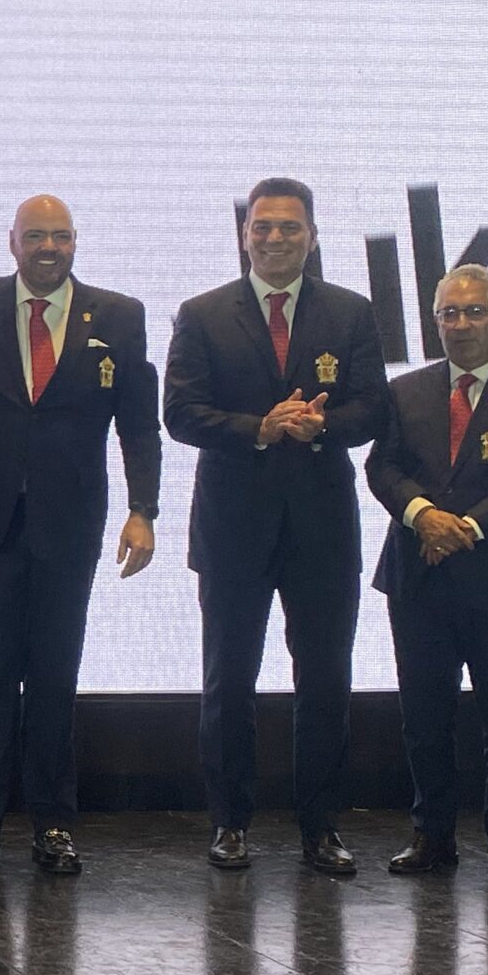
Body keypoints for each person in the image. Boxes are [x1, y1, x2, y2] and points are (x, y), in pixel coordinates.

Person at [0, 195, 161, 876]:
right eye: (35, 236)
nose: (48, 248)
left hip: (70, 523)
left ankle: (54, 824)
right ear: (12, 242)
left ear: (75, 241)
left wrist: (143, 509)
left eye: (60, 236)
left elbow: (138, 422)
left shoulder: (118, 316)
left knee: (55, 675)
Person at [164, 176, 387, 874]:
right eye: (262, 226)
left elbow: (373, 409)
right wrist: (258, 428)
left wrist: (324, 425)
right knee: (228, 682)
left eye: (289, 227)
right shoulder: (202, 314)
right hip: (233, 528)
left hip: (322, 528)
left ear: (312, 237)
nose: (275, 238)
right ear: (244, 235)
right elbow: (180, 413)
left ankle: (321, 827)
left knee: (324, 682)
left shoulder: (351, 313)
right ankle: (230, 823)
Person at [365, 265, 488, 884]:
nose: (461, 324)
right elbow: (382, 468)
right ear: (435, 323)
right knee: (424, 717)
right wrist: (423, 515)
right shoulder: (404, 392)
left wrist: (466, 527)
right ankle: (432, 835)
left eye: (475, 311)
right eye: (449, 313)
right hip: (418, 578)